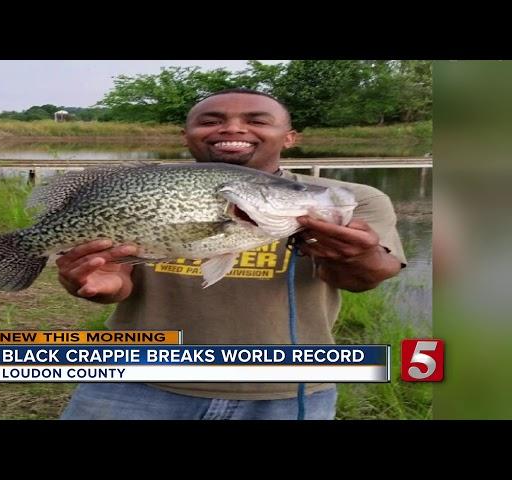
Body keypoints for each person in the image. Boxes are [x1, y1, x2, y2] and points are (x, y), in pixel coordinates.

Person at [57, 88, 406, 420]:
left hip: (287, 389)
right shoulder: (143, 184)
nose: (233, 128)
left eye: (257, 120)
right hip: (134, 380)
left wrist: (356, 257)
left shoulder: (351, 198)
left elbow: (364, 278)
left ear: (289, 137)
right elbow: (118, 282)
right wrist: (100, 287)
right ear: (186, 134)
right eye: (210, 121)